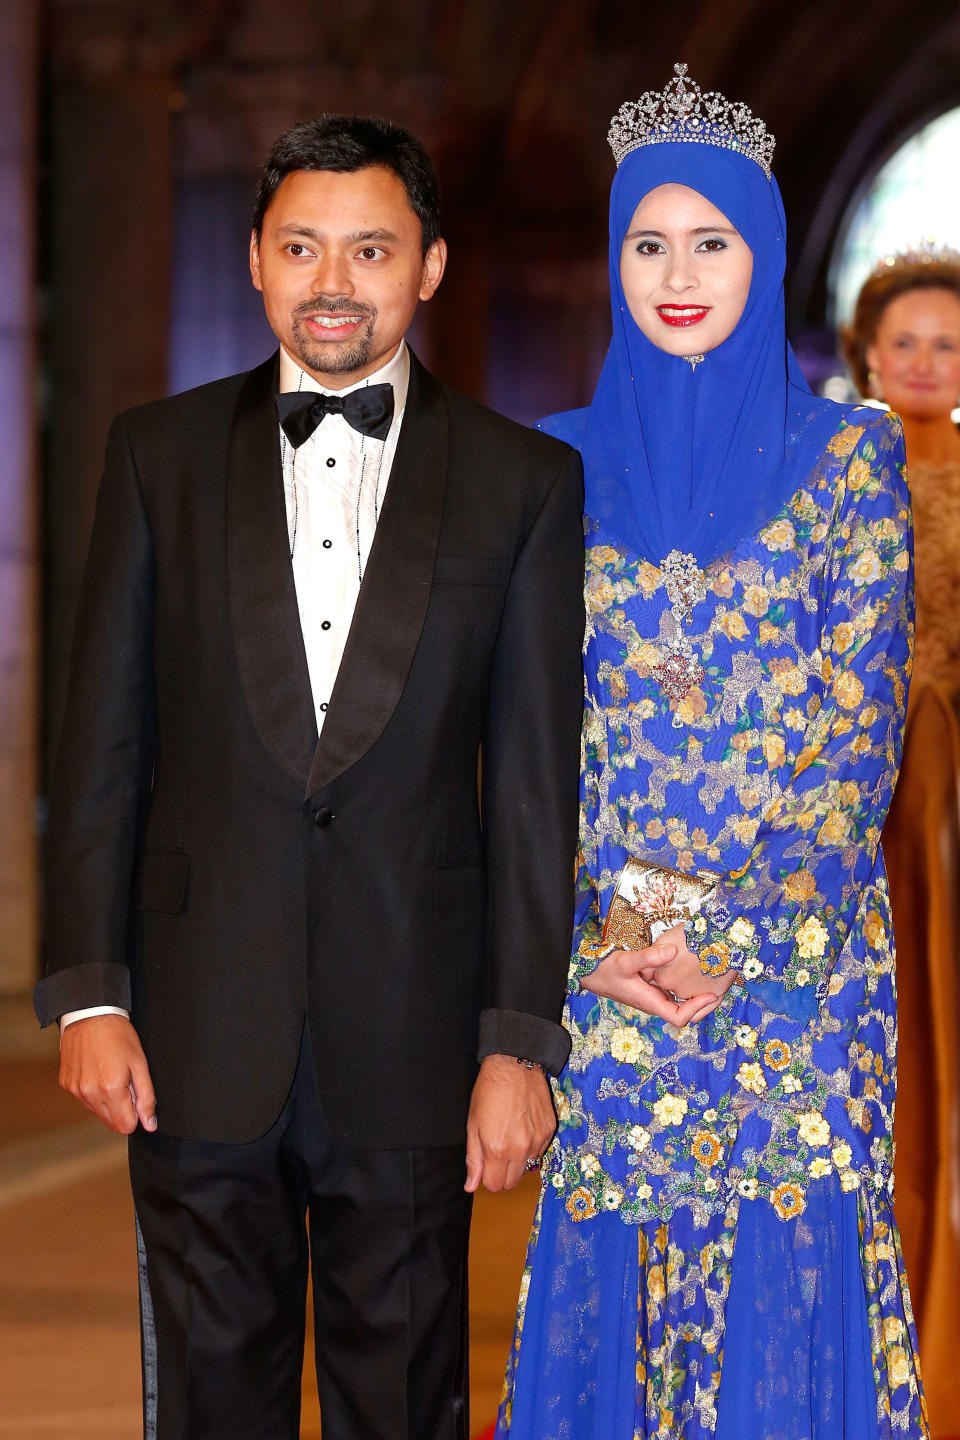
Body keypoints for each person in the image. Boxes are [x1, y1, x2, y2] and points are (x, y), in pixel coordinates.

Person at [34, 114, 586, 1440]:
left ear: (432, 268)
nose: (334, 279)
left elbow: (530, 779)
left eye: (372, 249)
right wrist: (85, 996)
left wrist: (521, 1042)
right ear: (257, 261)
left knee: (401, 1400)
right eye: (303, 247)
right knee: (212, 1404)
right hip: (192, 1024)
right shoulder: (154, 455)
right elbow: (102, 736)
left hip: (414, 1030)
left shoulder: (526, 482)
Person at [496, 65, 928, 1439]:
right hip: (615, 969)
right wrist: (606, 938)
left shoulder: (853, 461)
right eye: (647, 242)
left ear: (768, 253)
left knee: (788, 1286)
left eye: (713, 241)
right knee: (622, 1266)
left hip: (799, 972)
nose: (677, 273)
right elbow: (531, 727)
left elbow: (859, 730)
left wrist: (726, 931)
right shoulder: (549, 469)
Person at [843, 250, 960, 1436]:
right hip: (852, 806)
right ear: (867, 353)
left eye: (949, 345)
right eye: (907, 341)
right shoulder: (825, 475)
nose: (926, 362)